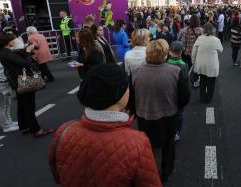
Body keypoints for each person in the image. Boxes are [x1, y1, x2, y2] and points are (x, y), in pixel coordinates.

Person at [50, 64, 162, 187]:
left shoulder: (64, 130)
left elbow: (58, 175)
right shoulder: (138, 142)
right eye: (127, 86)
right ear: (119, 95)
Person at [129, 40, 190, 182]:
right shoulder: (175, 71)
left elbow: (131, 97)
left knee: (146, 147)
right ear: (165, 54)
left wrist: (135, 111)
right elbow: (185, 96)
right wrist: (177, 107)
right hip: (169, 115)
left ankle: (148, 174)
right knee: (168, 146)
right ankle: (166, 173)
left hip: (144, 115)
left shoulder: (136, 73)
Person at [0, 32, 55, 137]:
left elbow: (18, 55)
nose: (15, 40)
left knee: (22, 105)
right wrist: (27, 51)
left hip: (17, 81)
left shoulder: (5, 52)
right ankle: (36, 130)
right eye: (12, 39)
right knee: (29, 106)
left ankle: (25, 126)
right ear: (7, 42)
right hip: (22, 80)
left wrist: (27, 49)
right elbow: (24, 63)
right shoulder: (6, 53)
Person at [0, 41, 18, 133]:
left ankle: (9, 122)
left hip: (6, 83)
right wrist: (1, 90)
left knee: (7, 105)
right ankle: (5, 126)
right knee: (0, 107)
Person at [192, 23, 223, 103]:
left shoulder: (199, 38)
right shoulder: (216, 40)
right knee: (211, 83)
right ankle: (208, 99)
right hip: (212, 65)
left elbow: (194, 51)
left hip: (201, 64)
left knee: (202, 81)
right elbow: (221, 50)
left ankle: (202, 97)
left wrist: (193, 61)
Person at [167, 41, 188, 142]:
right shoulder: (183, 65)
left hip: (167, 94)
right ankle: (176, 133)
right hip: (178, 95)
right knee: (179, 114)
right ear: (181, 51)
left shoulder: (166, 62)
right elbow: (185, 85)